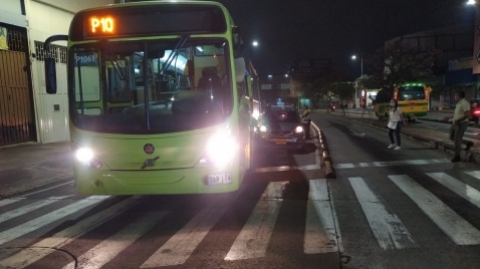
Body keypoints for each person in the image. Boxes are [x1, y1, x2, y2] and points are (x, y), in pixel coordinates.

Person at [443, 90, 471, 162]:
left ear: (459, 96)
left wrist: (458, 120)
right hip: (455, 123)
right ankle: (468, 143)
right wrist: (449, 117)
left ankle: (457, 156)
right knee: (452, 137)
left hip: (461, 124)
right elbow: (457, 114)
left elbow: (467, 115)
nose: (454, 97)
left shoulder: (464, 103)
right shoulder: (458, 103)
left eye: (455, 95)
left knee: (457, 140)